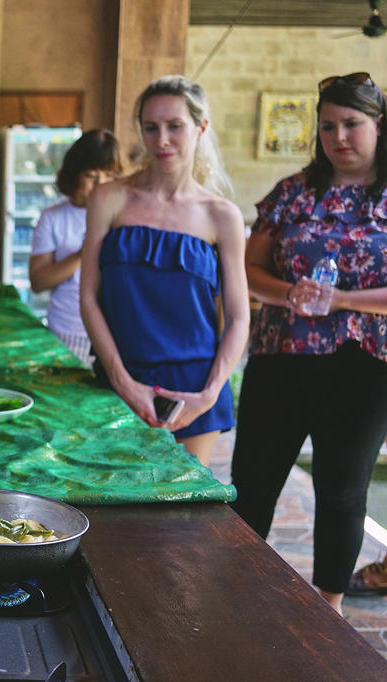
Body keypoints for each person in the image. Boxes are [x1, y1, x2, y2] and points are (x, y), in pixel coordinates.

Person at [230, 72, 387, 614]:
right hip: (281, 358)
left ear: (378, 125)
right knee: (252, 481)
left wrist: (342, 300)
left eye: (352, 124)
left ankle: (328, 608)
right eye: (328, 126)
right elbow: (246, 269)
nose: (339, 136)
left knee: (342, 490)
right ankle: (238, 592)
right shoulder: (294, 191)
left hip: (365, 366)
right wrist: (289, 291)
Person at [79, 75, 250, 467]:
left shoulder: (221, 215)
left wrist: (208, 395)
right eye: (151, 127)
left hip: (194, 390)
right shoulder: (109, 199)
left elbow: (239, 318)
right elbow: (89, 298)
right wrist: (122, 380)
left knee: (178, 520)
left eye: (175, 126)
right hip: (117, 378)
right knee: (110, 507)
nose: (162, 140)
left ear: (200, 127)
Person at [29, 129, 123, 365]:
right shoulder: (53, 218)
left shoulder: (124, 217)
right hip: (68, 331)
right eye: (92, 176)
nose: (100, 185)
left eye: (108, 176)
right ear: (74, 175)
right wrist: (85, 251)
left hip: (115, 334)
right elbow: (38, 282)